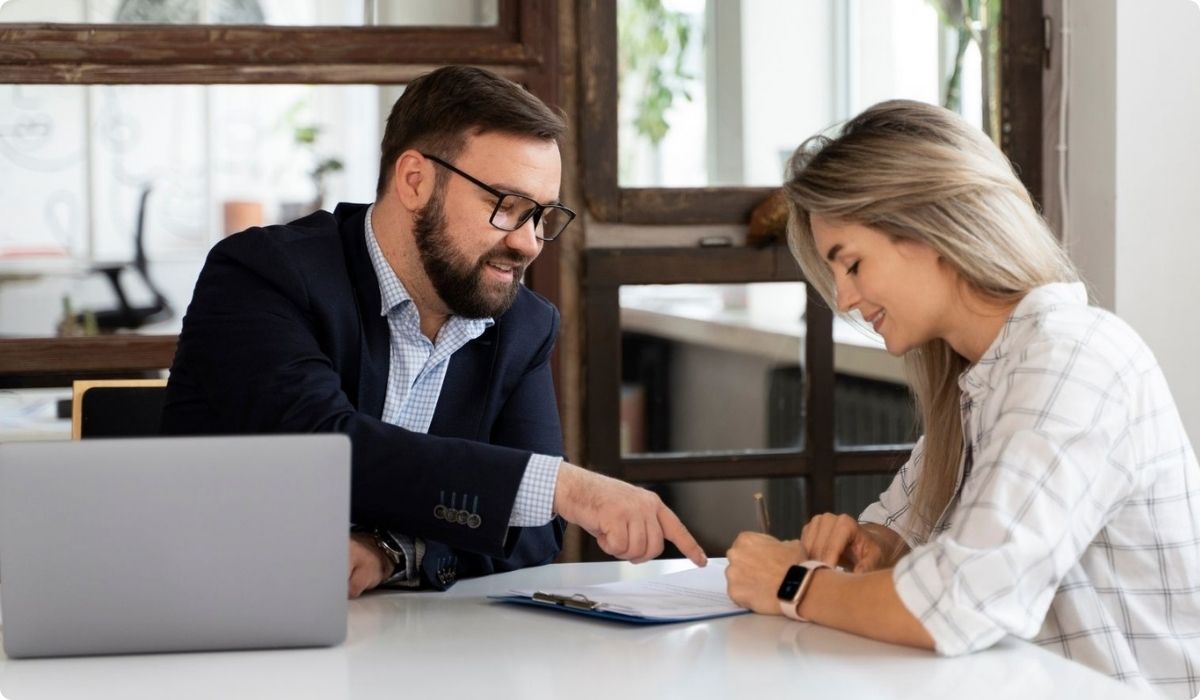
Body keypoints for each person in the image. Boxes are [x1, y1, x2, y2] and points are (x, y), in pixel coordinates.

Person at [163, 65, 706, 596]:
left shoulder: (523, 324)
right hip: (218, 611)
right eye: (507, 206)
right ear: (416, 180)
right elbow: (321, 449)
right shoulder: (264, 273)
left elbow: (539, 531)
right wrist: (560, 484)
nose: (529, 243)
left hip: (414, 646)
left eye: (541, 216)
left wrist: (394, 553)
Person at [725, 100, 1200, 699]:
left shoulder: (1071, 361)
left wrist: (794, 584)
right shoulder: (983, 382)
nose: (842, 299)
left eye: (851, 264)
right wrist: (872, 550)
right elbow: (895, 540)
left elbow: (961, 601)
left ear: (930, 232)